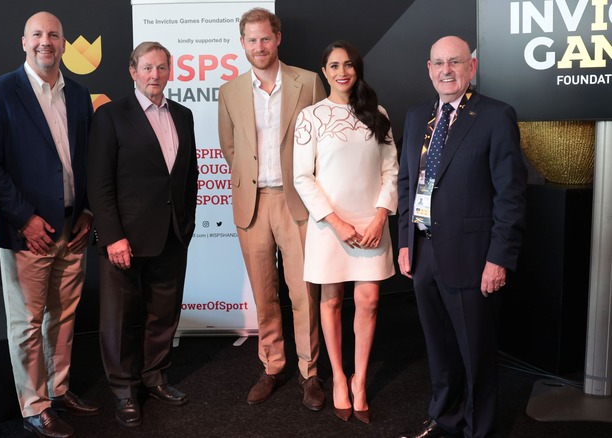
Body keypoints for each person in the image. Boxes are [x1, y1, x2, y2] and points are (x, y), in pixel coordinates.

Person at [0, 11, 99, 438]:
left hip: (73, 225)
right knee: (27, 323)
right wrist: (25, 219)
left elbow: (87, 161)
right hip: (27, 232)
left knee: (63, 317)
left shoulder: (79, 94)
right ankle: (34, 404)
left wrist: (88, 211)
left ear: (65, 44)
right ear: (23, 42)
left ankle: (59, 391)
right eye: (38, 35)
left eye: (54, 35)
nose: (46, 41)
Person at [396, 36, 527, 438]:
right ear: (429, 68)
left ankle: (478, 430)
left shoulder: (495, 115)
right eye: (438, 63)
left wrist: (499, 258)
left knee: (476, 354)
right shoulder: (418, 117)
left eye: (455, 62)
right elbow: (406, 183)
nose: (446, 70)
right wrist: (405, 241)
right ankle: (446, 419)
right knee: (439, 349)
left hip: (473, 255)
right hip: (424, 251)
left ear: (471, 67)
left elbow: (510, 194)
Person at [217, 7, 327, 411]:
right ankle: (272, 364)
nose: (259, 46)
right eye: (251, 40)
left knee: (303, 293)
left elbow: (322, 144)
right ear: (242, 44)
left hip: (296, 201)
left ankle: (309, 372)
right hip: (253, 205)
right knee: (265, 294)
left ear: (277, 38)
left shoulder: (309, 83)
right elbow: (231, 149)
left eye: (265, 38)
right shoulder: (229, 91)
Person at [90, 41, 198, 428]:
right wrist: (112, 236)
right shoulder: (111, 115)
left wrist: (187, 225)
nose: (155, 75)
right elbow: (99, 183)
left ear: (171, 72)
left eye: (162, 68)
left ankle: (154, 377)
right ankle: (123, 389)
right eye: (147, 68)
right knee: (118, 319)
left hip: (171, 235)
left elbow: (189, 176)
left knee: (163, 314)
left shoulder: (183, 115)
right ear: (133, 71)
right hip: (124, 241)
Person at [293, 40, 397, 424]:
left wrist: (380, 216)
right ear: (324, 71)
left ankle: (360, 381)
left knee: (368, 301)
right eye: (334, 65)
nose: (342, 72)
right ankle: (338, 377)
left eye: (349, 65)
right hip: (330, 226)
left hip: (371, 224)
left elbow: (391, 170)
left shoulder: (377, 113)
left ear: (357, 70)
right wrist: (335, 221)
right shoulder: (311, 117)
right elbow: (302, 177)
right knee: (332, 301)